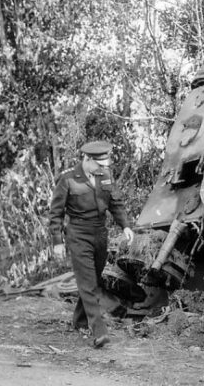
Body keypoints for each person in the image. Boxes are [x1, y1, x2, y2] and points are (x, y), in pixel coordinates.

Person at [49, 140, 134, 348]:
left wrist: (125, 226)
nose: (102, 168)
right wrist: (57, 242)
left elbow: (116, 204)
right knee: (88, 283)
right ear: (86, 159)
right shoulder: (68, 179)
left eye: (104, 165)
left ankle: (79, 320)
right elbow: (56, 213)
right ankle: (98, 330)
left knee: (92, 279)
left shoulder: (105, 176)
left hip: (100, 234)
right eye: (98, 165)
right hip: (78, 234)